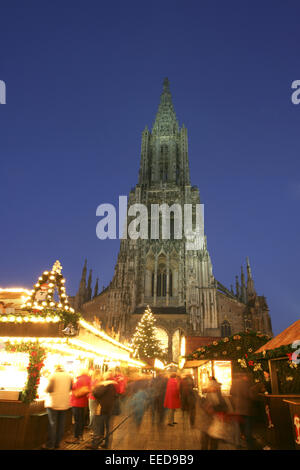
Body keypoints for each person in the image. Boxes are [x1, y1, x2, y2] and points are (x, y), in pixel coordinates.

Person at [42, 364, 73, 450]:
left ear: (55, 368)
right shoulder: (69, 376)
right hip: (64, 403)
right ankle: (57, 443)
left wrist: (44, 390)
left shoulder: (53, 376)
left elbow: (49, 389)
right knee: (61, 424)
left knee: (53, 424)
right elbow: (71, 388)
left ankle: (50, 445)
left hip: (53, 403)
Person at [88, 371, 117, 449]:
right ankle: (107, 443)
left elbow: (96, 393)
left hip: (101, 408)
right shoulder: (113, 385)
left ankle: (95, 444)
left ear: (106, 377)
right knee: (108, 427)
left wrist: (94, 388)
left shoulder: (104, 384)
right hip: (109, 409)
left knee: (98, 426)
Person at [230, 372, 256, 449]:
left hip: (237, 408)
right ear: (245, 377)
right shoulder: (246, 384)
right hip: (246, 408)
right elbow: (250, 395)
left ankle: (239, 442)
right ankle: (249, 444)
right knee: (247, 425)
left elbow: (231, 392)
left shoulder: (234, 383)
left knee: (239, 426)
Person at [201, 376, 228, 450]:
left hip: (215, 421)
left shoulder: (219, 396)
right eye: (211, 387)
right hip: (207, 422)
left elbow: (225, 407)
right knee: (205, 440)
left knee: (214, 440)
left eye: (214, 387)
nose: (213, 389)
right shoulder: (204, 396)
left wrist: (214, 409)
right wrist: (206, 408)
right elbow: (200, 407)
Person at [66, 368, 91, 444]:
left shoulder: (79, 380)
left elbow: (74, 390)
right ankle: (80, 436)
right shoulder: (88, 379)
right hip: (84, 402)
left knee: (77, 421)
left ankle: (76, 437)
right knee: (81, 420)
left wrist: (72, 390)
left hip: (76, 402)